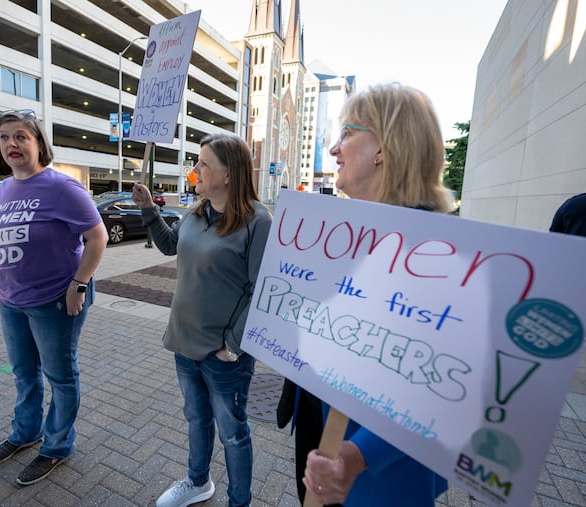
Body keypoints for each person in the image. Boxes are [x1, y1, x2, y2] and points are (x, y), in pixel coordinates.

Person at [289, 83, 453, 506]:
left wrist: (360, 456)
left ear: (382, 147)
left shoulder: (435, 254)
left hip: (379, 475)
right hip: (327, 439)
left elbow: (438, 387)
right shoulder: (348, 234)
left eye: (346, 134)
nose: (333, 149)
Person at [0, 109, 108, 486]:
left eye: (21, 137)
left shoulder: (63, 188)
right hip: (11, 299)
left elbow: (98, 238)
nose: (11, 144)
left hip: (57, 300)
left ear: (39, 143)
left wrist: (79, 284)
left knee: (60, 376)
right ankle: (26, 433)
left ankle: (57, 445)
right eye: (4, 137)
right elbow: (1, 240)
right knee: (25, 374)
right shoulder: (5, 190)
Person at [131, 133, 273, 507]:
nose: (195, 170)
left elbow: (262, 291)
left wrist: (232, 346)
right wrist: (149, 208)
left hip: (223, 353)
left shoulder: (259, 222)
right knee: (196, 419)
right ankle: (198, 482)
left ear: (229, 174)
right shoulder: (197, 213)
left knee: (233, 434)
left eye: (203, 163)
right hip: (184, 341)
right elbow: (168, 244)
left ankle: (238, 502)